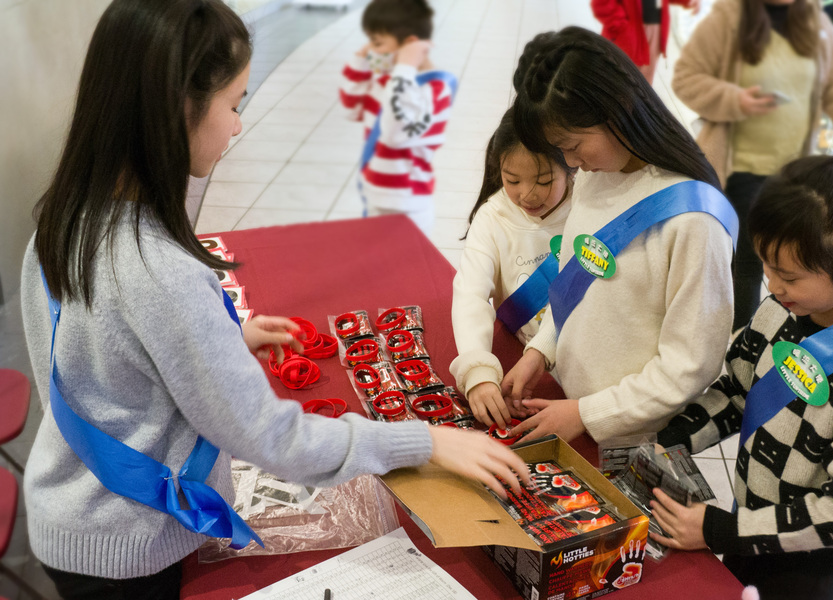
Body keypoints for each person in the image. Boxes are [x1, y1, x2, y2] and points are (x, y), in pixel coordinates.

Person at [20, 1, 529, 598]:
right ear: (176, 107)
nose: (238, 126)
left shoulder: (65, 218)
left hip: (69, 509)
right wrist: (428, 440)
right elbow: (271, 439)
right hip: (125, 545)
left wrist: (221, 342)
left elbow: (98, 362)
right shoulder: (160, 271)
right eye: (234, 104)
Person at [651, 136, 833, 600]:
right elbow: (736, 391)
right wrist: (667, 442)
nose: (771, 284)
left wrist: (722, 530)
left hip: (808, 561)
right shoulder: (782, 311)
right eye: (766, 265)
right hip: (747, 520)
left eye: (788, 276)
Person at [501, 26, 737, 446]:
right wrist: (541, 350)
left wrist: (588, 414)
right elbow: (574, 285)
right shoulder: (596, 177)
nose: (570, 163)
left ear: (618, 111)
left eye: (572, 145)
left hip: (631, 434)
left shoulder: (693, 222)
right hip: (567, 409)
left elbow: (689, 366)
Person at [671, 0, 833, 331]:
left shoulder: (815, 24)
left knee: (787, 267)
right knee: (747, 263)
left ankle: (764, 336)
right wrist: (734, 99)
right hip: (736, 168)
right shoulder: (728, 19)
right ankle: (736, 337)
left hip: (790, 176)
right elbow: (685, 79)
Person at [449, 108, 574, 428]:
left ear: (572, 167)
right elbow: (470, 295)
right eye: (512, 180)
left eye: (544, 181)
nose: (527, 194)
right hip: (529, 367)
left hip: (583, 363)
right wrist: (477, 369)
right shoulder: (493, 218)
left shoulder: (586, 207)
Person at [339, 0, 455, 236]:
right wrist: (361, 59)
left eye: (378, 42)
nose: (371, 49)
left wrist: (404, 67)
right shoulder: (386, 82)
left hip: (409, 204)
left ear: (410, 45)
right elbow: (351, 107)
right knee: (379, 269)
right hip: (375, 194)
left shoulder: (435, 89)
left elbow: (395, 134)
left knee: (407, 269)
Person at [590, 0, 700, 85]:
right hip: (629, 33)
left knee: (642, 86)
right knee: (616, 82)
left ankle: (633, 111)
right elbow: (601, 3)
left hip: (654, 30)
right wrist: (622, 26)